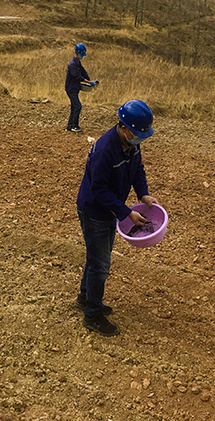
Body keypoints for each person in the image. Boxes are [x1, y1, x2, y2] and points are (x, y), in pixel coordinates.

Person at [75, 99, 159, 337]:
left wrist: (143, 193)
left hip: (109, 210)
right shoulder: (104, 149)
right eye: (138, 134)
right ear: (124, 128)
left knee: (97, 257)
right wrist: (126, 212)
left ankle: (85, 298)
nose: (141, 139)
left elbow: (137, 169)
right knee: (100, 264)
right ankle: (92, 314)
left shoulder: (130, 144)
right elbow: (99, 190)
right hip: (94, 211)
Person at [64, 43, 95, 133]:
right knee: (78, 106)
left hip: (75, 88)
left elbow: (82, 71)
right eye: (81, 55)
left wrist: (89, 78)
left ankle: (70, 126)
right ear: (76, 53)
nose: (82, 56)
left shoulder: (77, 63)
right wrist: (88, 82)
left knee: (74, 107)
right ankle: (74, 126)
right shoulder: (72, 64)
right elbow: (77, 76)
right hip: (71, 89)